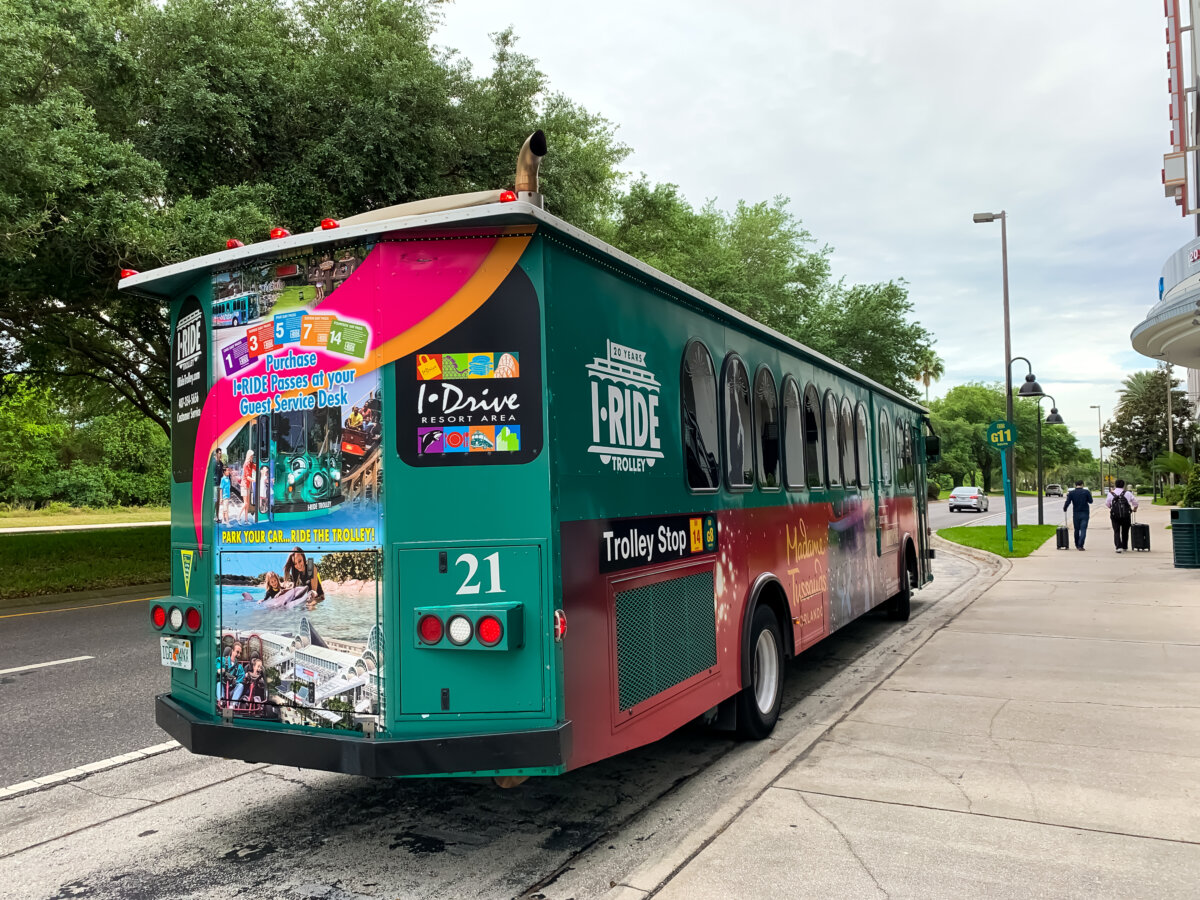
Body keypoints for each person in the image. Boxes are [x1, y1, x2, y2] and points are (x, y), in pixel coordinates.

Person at [1105, 478, 1139, 553]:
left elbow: (1107, 504)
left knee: (1116, 531)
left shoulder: (1111, 494)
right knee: (1125, 531)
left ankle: (1118, 547)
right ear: (1124, 485)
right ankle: (1124, 546)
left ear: (1115, 485)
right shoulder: (1128, 493)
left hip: (1115, 516)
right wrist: (1135, 509)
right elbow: (1136, 502)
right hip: (1126, 515)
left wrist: (1112, 508)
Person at [1062, 480, 1093, 551]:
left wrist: (1065, 508)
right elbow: (1091, 501)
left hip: (1076, 513)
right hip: (1085, 513)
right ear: (1082, 484)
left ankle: (1076, 543)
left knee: (1076, 529)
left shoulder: (1072, 493)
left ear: (1075, 485)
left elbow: (1068, 502)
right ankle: (1081, 545)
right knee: (1083, 529)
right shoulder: (1086, 492)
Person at [211, 448, 225, 522]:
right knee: (214, 501)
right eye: (219, 453)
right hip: (214, 485)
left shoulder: (221, 463)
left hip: (219, 485)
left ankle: (217, 517)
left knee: (218, 502)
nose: (220, 454)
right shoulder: (213, 463)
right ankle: (212, 517)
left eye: (221, 453)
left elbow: (222, 474)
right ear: (216, 454)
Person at [241, 450, 255, 521]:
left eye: (253, 455)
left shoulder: (250, 463)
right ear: (249, 456)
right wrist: (255, 480)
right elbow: (247, 477)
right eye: (252, 455)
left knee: (248, 504)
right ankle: (238, 517)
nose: (253, 457)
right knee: (245, 503)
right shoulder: (246, 464)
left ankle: (246, 520)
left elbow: (256, 467)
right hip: (245, 485)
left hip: (248, 485)